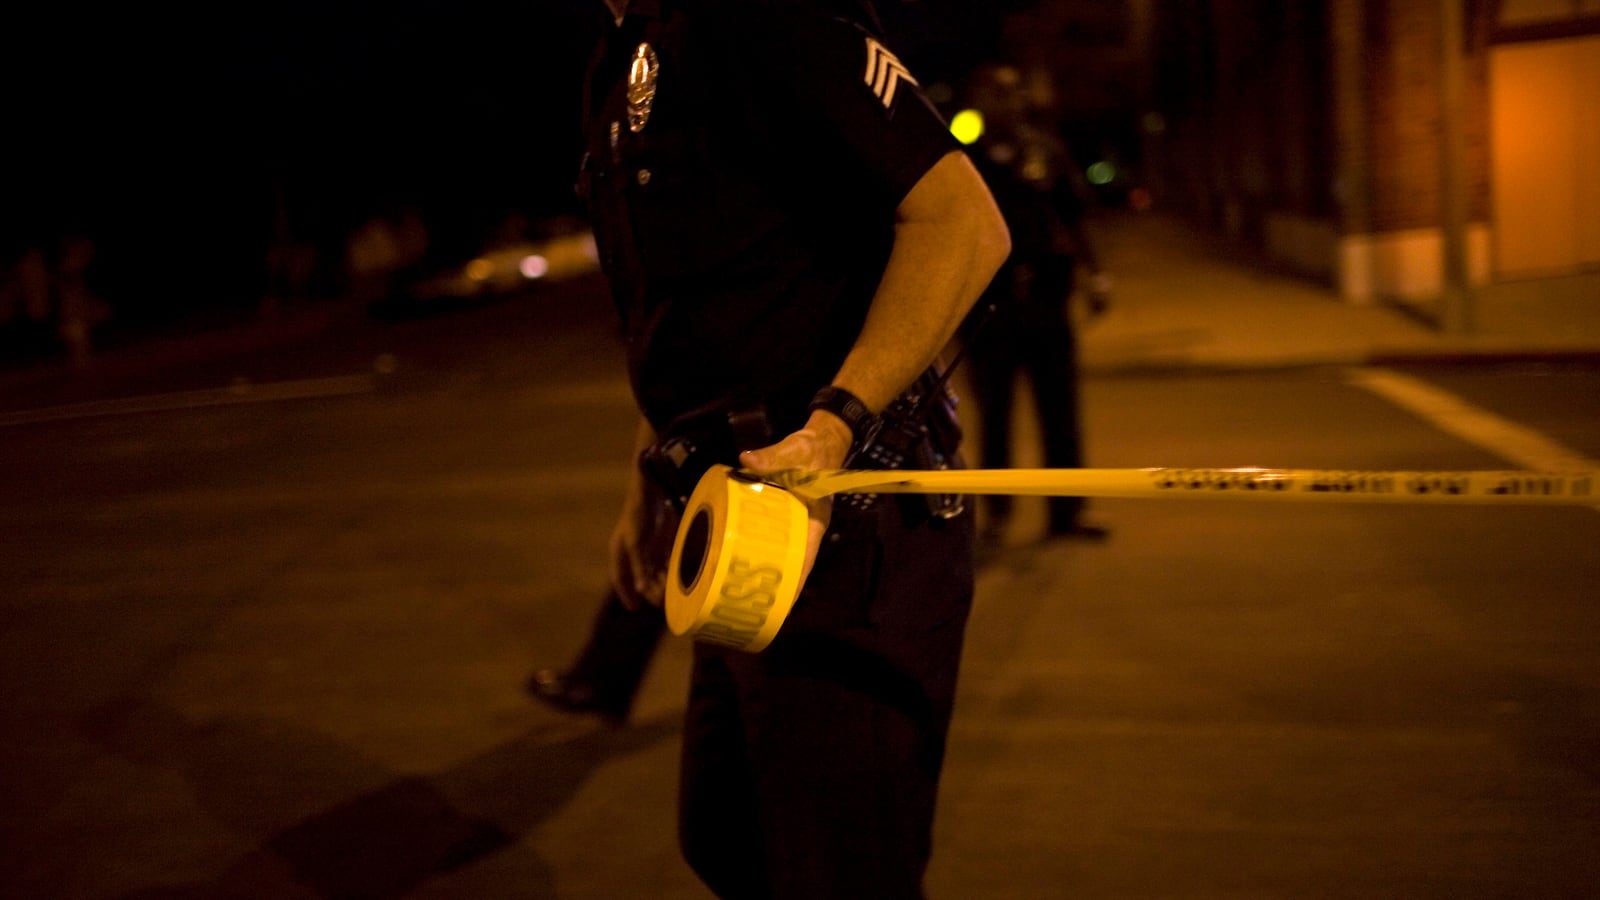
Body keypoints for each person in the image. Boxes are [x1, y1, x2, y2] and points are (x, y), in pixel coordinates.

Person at [578, 1, 1010, 896]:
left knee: (842, 873)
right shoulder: (623, 58)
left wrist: (835, 425)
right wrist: (646, 481)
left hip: (843, 520)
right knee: (728, 840)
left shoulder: (767, 17)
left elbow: (964, 223)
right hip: (737, 517)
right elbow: (687, 307)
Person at [960, 63, 1113, 550]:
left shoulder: (1045, 152)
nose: (1004, 102)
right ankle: (998, 515)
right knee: (995, 416)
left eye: (1011, 93)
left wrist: (1096, 276)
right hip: (991, 308)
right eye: (994, 93)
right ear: (978, 101)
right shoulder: (963, 159)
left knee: (1060, 411)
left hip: (1046, 298)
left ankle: (1068, 511)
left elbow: (1073, 216)